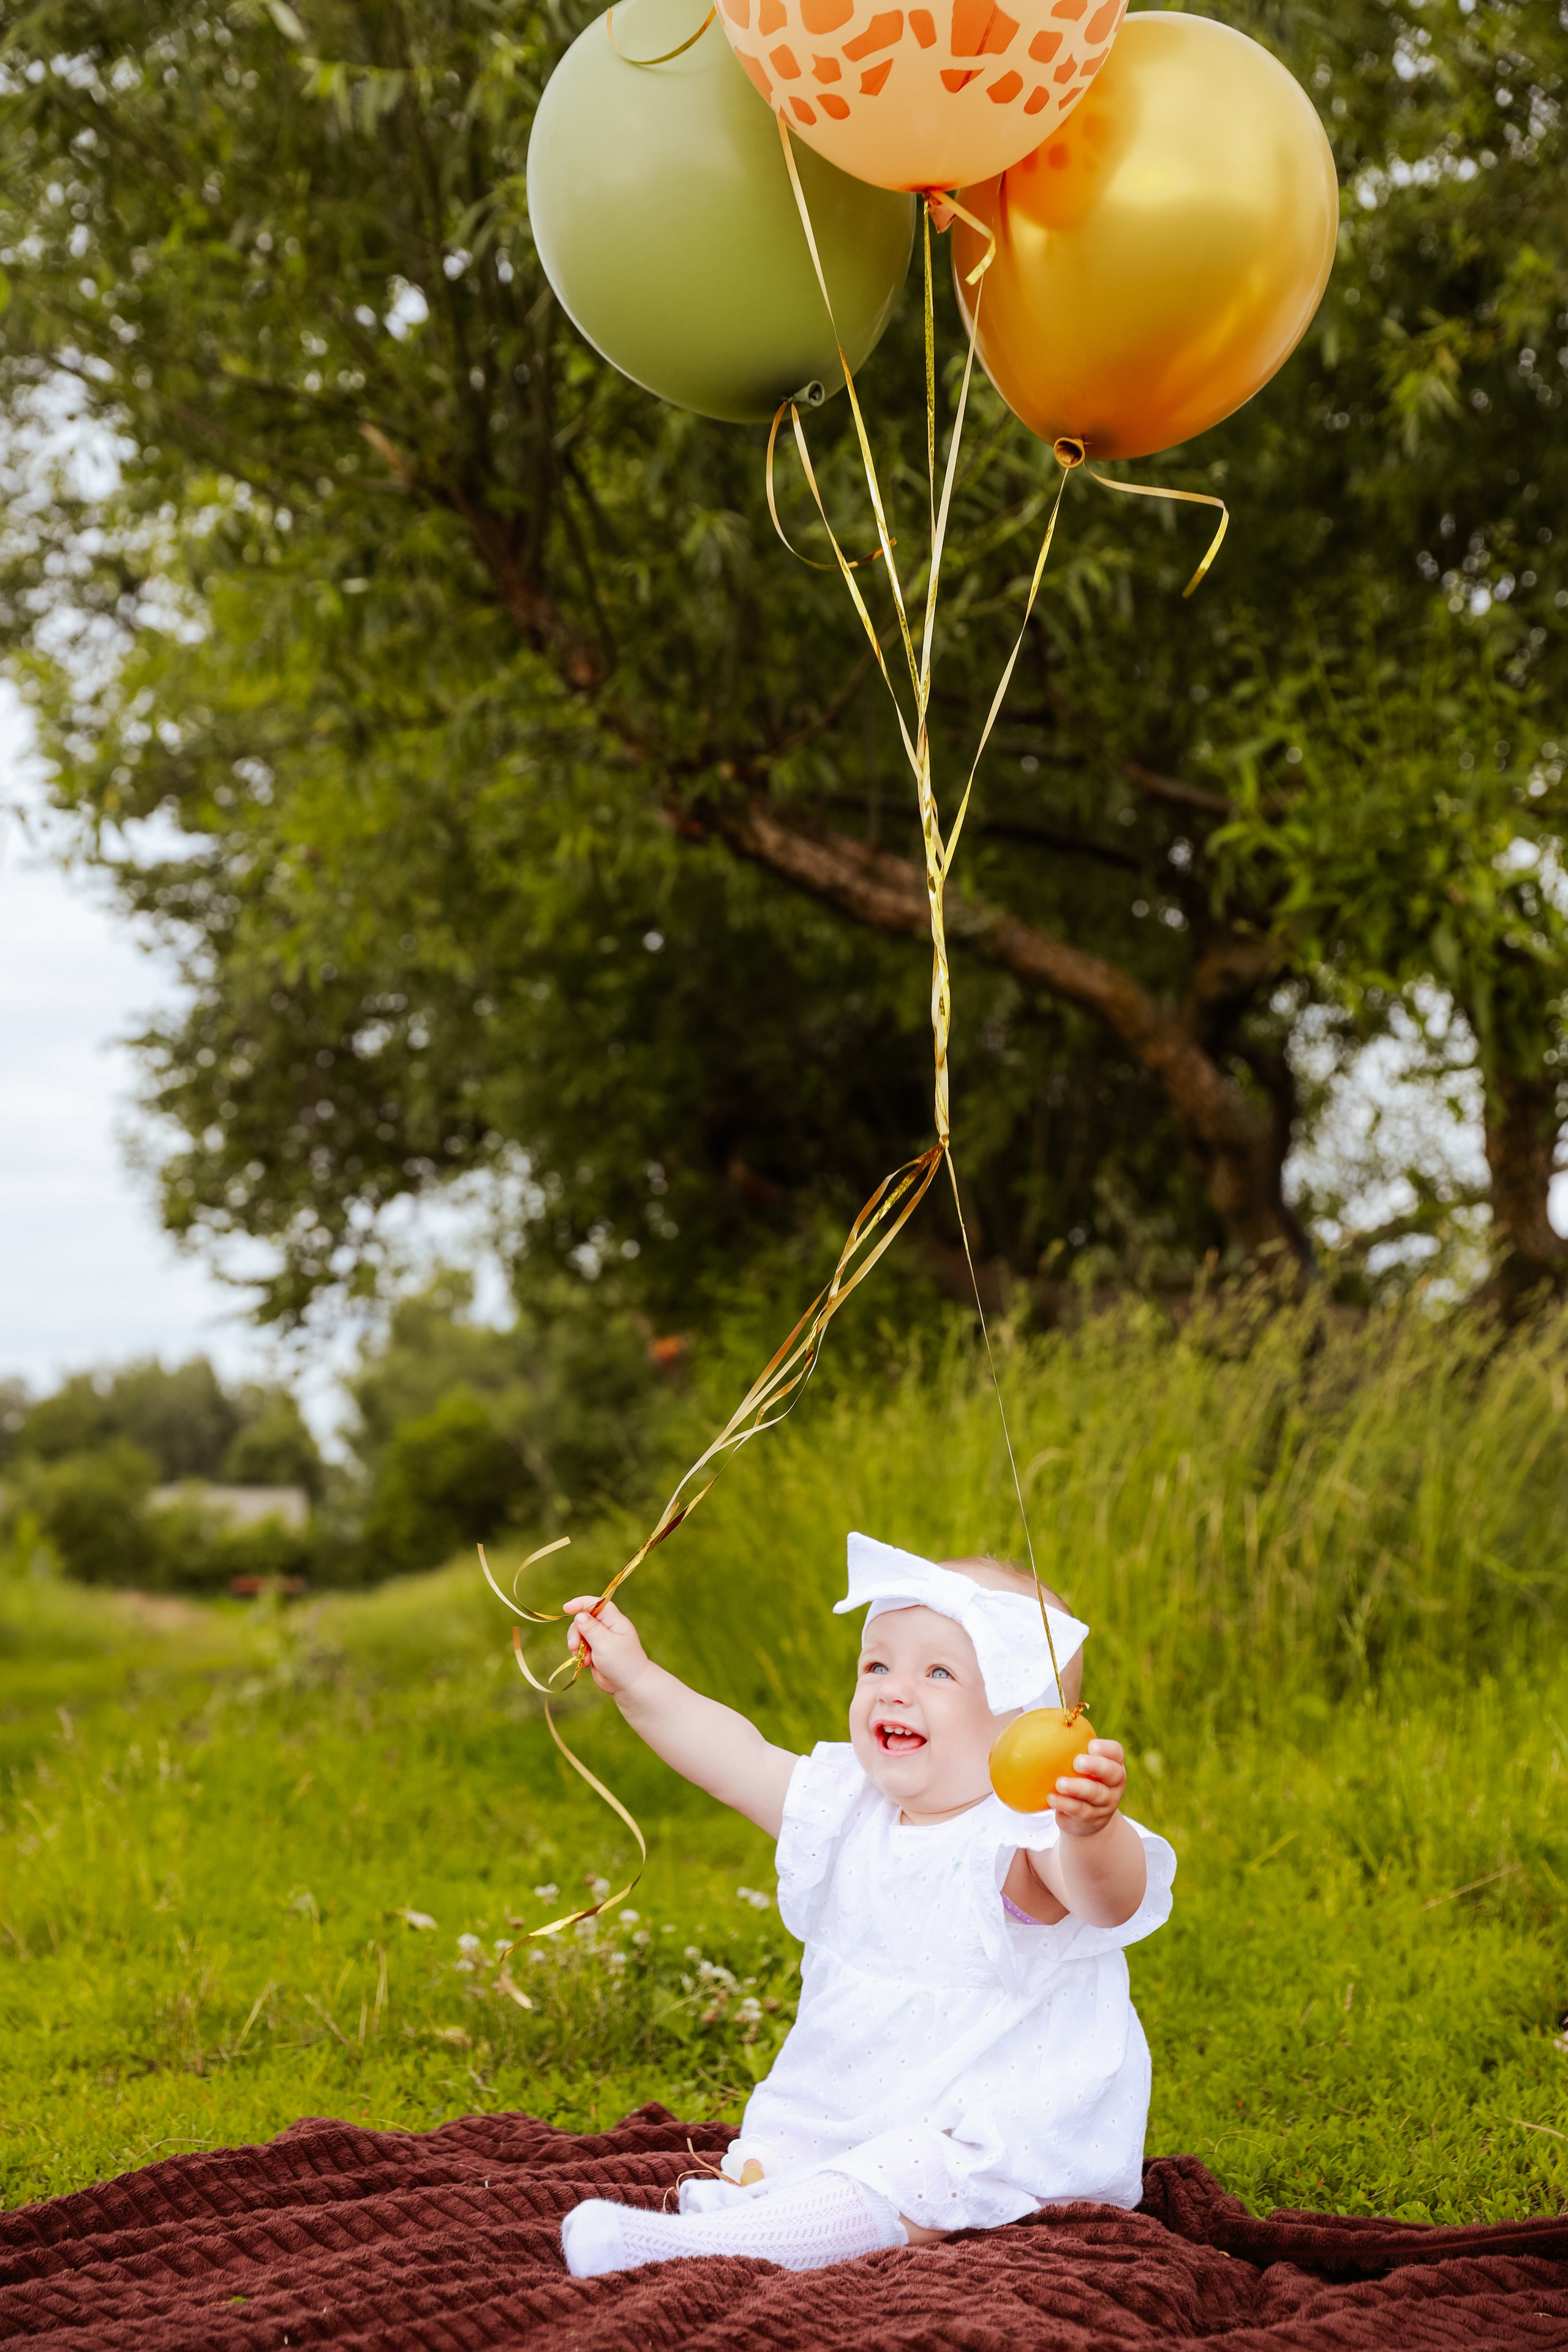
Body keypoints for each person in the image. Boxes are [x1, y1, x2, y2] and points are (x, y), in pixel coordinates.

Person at [558, 1531, 1176, 2277]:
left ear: (1026, 1722)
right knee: (793, 2156)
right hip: (849, 2097)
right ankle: (772, 2219)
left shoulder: (1023, 1838)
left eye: (939, 1672)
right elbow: (736, 1759)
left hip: (993, 2121)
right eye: (876, 1663)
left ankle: (708, 2249)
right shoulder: (845, 1804)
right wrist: (638, 1680)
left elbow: (1105, 1900)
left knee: (918, 2167)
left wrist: (1090, 1828)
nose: (891, 1688)